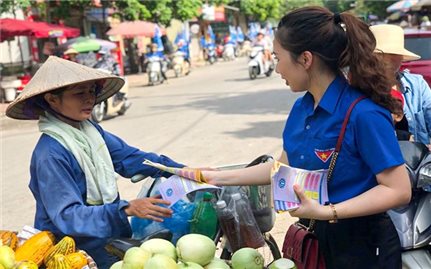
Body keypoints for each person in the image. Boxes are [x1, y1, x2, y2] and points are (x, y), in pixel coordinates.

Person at [201, 6, 411, 269]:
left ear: (305, 59)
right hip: (316, 238)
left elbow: (398, 190)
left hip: (364, 245)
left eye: (278, 58)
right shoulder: (303, 108)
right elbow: (283, 168)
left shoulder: (363, 113)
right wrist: (216, 176)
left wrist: (327, 212)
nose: (276, 68)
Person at [5, 56, 186, 268]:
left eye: (91, 91)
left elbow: (130, 157)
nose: (89, 99)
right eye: (79, 93)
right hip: (74, 253)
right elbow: (68, 216)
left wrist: (184, 171)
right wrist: (127, 208)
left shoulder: (90, 131)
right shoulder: (50, 154)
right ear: (52, 99)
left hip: (108, 240)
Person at [370, 24, 431, 145]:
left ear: (401, 57)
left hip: (416, 160)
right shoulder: (358, 88)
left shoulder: (417, 85)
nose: (387, 59)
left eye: (393, 54)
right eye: (382, 54)